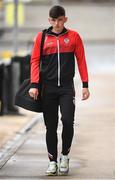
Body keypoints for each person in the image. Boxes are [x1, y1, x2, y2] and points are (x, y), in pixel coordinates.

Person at [29, 5, 90, 176]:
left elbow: (81, 60)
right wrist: (34, 85)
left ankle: (64, 156)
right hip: (47, 88)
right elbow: (34, 61)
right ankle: (52, 162)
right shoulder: (41, 37)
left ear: (65, 19)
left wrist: (85, 85)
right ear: (49, 20)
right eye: (53, 20)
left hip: (66, 87)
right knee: (51, 126)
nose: (57, 24)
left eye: (60, 20)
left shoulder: (74, 37)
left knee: (68, 120)